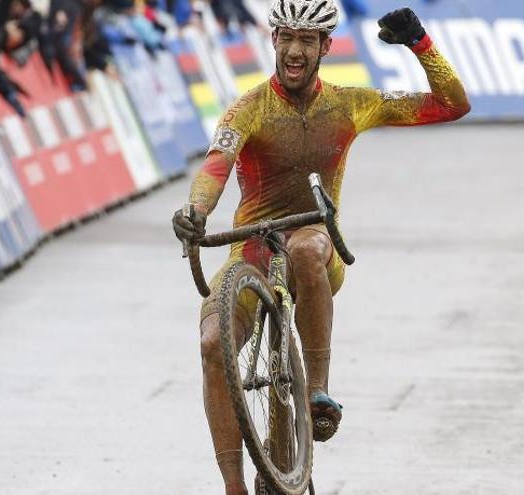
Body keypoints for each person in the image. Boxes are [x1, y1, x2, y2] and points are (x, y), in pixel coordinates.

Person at [171, 1, 470, 493]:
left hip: (316, 248)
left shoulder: (350, 103)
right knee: (210, 345)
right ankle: (233, 486)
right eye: (286, 38)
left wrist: (421, 43)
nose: (294, 50)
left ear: (325, 47)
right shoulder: (248, 108)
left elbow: (452, 104)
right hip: (251, 250)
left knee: (307, 249)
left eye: (306, 41)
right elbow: (215, 165)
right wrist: (195, 213)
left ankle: (317, 392)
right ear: (273, 41)